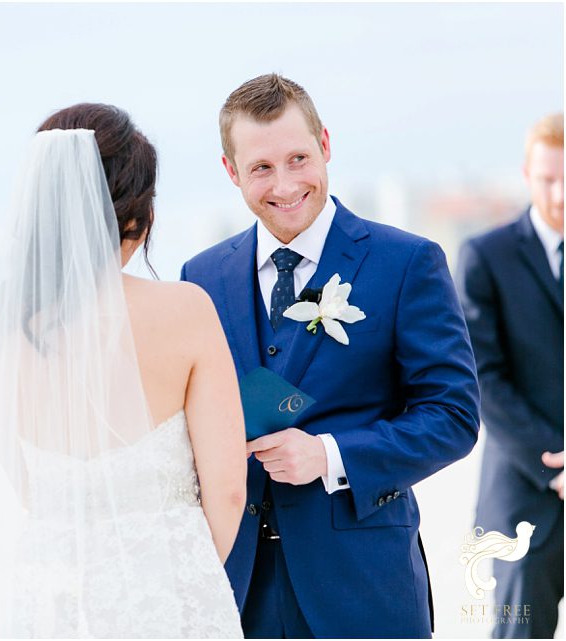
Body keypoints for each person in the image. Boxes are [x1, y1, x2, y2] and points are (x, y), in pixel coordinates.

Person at [181, 74, 481, 638]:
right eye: (261, 168)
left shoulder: (406, 262)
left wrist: (330, 455)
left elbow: (453, 417)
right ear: (231, 172)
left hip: (363, 586)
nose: (286, 184)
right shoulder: (201, 277)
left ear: (325, 144)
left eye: (298, 158)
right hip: (235, 591)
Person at [0, 104, 247, 637]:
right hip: (169, 593)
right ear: (137, 214)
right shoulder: (186, 310)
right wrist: (180, 578)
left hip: (49, 600)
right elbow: (228, 494)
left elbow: (24, 486)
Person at [456, 112, 564, 639]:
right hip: (526, 496)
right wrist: (555, 463)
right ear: (527, 174)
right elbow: (483, 377)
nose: (560, 193)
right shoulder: (486, 256)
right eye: (548, 179)